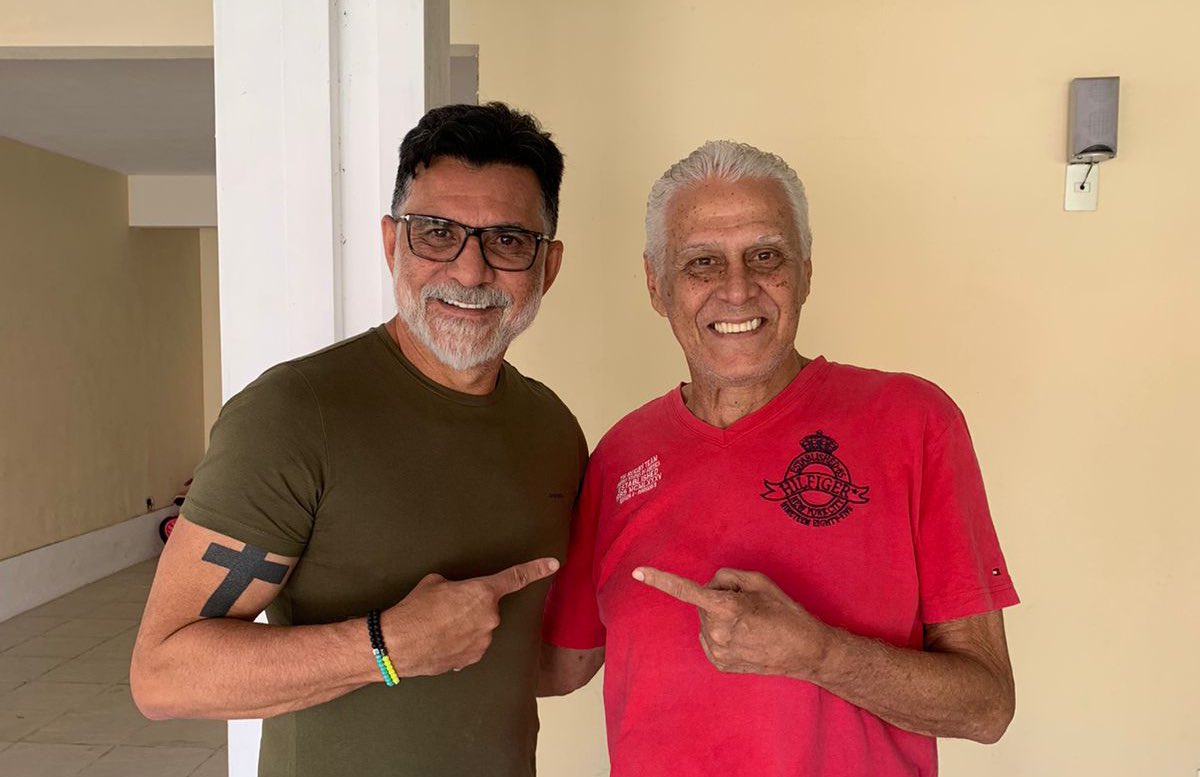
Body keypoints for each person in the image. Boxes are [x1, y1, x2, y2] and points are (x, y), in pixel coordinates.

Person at [130, 102, 587, 777]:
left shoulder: (553, 429)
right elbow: (164, 676)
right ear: (391, 244)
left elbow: (535, 661)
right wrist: (386, 645)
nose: (470, 272)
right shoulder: (292, 415)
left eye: (508, 241)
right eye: (437, 233)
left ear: (547, 266)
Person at [539, 140, 1018, 776]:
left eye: (766, 256)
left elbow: (987, 707)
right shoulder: (619, 458)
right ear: (656, 284)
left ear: (806, 272)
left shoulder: (912, 421)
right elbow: (560, 665)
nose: (738, 290)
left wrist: (817, 654)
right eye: (702, 263)